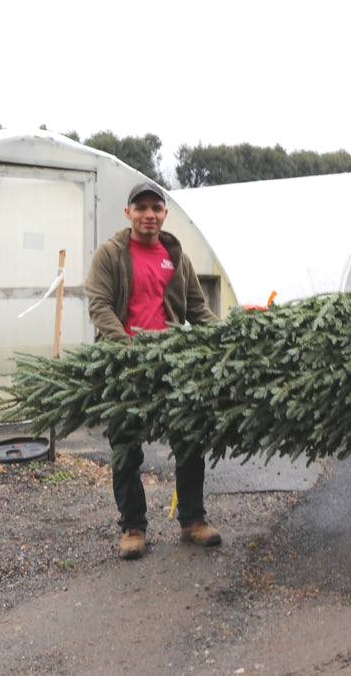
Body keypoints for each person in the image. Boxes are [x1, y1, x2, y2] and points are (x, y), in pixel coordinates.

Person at [85, 181, 222, 559]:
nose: (149, 214)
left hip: (173, 363)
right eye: (140, 207)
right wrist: (126, 349)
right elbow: (99, 305)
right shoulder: (111, 254)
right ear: (128, 212)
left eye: (155, 207)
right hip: (125, 365)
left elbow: (197, 308)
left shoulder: (175, 255)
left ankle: (193, 520)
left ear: (164, 213)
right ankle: (133, 526)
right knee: (126, 448)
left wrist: (227, 338)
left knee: (190, 440)